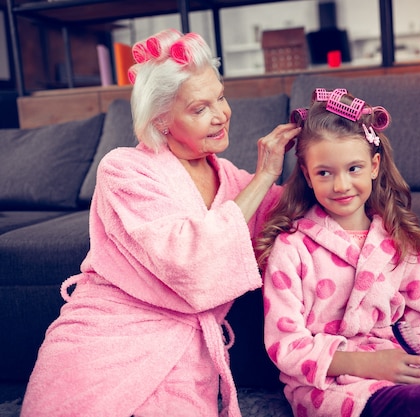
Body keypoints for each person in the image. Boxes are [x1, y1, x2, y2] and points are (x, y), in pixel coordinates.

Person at [20, 29, 300, 417]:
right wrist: (265, 175)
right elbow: (190, 263)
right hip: (107, 332)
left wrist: (331, 150)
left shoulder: (235, 182)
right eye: (200, 108)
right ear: (163, 120)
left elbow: (296, 222)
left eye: (220, 96)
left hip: (185, 349)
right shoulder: (124, 170)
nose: (221, 115)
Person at [256, 89, 420, 417]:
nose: (341, 185)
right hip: (329, 384)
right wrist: (368, 364)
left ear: (374, 166)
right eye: (325, 172)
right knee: (415, 406)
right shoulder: (291, 248)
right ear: (307, 175)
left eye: (354, 168)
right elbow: (286, 345)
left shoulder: (398, 240)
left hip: (398, 370)